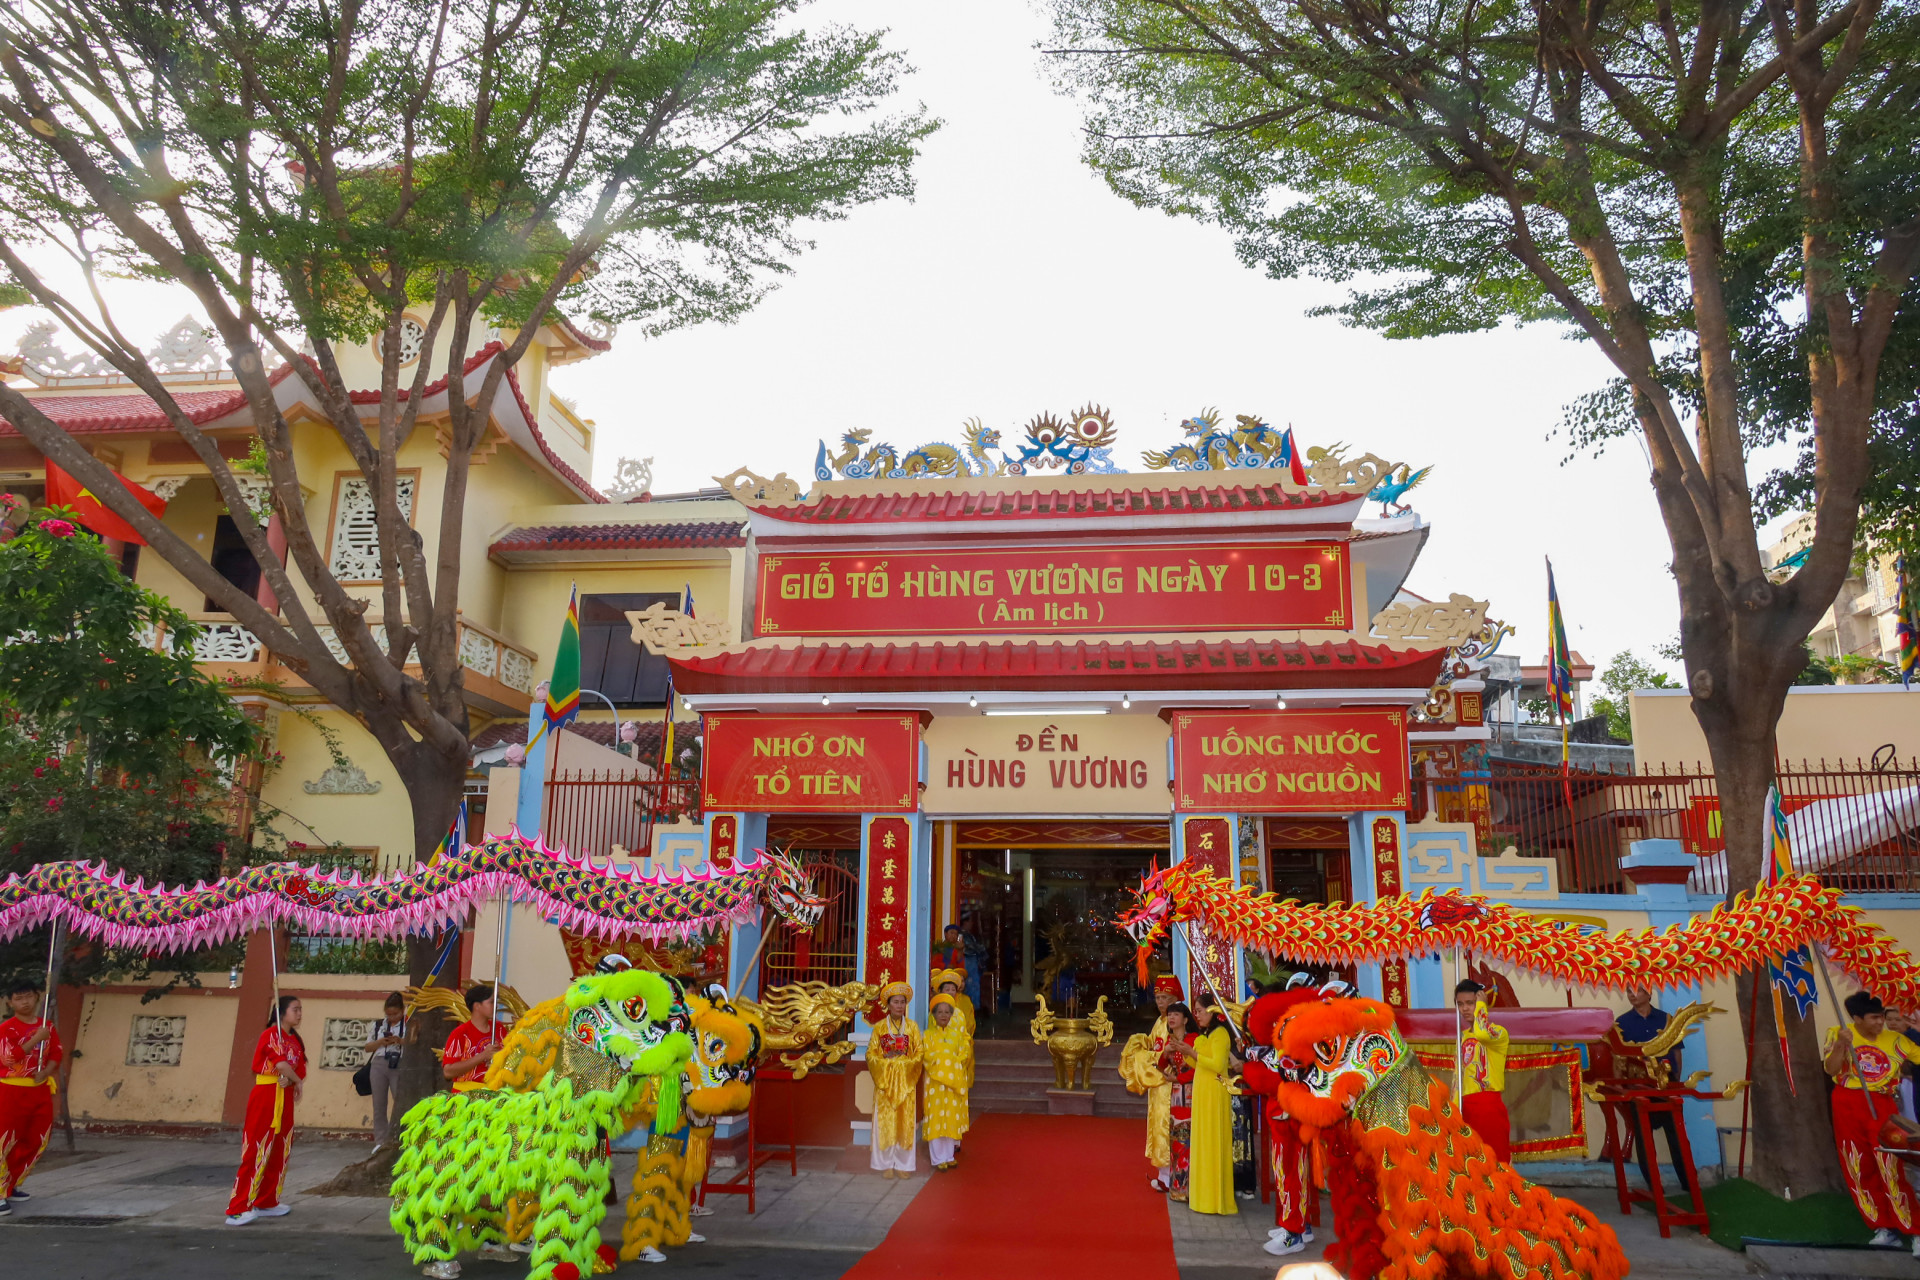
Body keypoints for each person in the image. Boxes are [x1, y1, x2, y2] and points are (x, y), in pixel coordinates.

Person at [1824, 990, 1920, 1249]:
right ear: (1856, 1018)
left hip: (1881, 1102)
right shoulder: (1838, 1033)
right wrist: (1841, 1046)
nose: (1881, 1022)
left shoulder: (1897, 1039)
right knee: (1858, 1166)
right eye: (1874, 1018)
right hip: (1846, 1102)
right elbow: (1831, 1069)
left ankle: (1915, 1230)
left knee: (1889, 1164)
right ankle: (1882, 1227)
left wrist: (1915, 1031)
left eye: (1881, 1017)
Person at [226, 996, 307, 1225]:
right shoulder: (270, 1035)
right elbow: (281, 1065)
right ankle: (237, 1207)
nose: (299, 1014)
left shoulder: (293, 1040)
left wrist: (291, 1080)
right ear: (282, 1012)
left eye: (301, 1010)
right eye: (295, 1009)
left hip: (285, 1098)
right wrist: (294, 1079)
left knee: (280, 1149)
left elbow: (296, 1067)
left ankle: (266, 1200)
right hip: (266, 1096)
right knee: (257, 1148)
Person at [1613, 987, 1698, 1202]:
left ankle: (1689, 1182)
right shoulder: (1621, 1023)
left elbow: (1676, 1051)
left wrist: (1675, 1082)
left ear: (1649, 994)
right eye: (1629, 992)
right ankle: (1654, 1185)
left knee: (1677, 1135)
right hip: (1638, 1088)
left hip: (1665, 1086)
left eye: (1636, 991)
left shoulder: (1666, 1019)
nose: (1632, 995)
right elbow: (1618, 1058)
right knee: (1644, 1137)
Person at [0, 979, 62, 1216]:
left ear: (37, 997)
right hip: (10, 1089)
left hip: (39, 1088)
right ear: (10, 1002)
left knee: (35, 1139)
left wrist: (45, 1072)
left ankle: (12, 1182)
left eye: (28, 996)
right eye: (18, 998)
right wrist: (36, 1038)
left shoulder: (47, 1025)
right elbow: (8, 1059)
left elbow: (56, 1052)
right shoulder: (7, 1029)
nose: (24, 1002)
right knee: (3, 1139)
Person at [1184, 996, 1240, 1216]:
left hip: (1215, 1092)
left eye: (1199, 1010)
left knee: (1213, 1143)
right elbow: (1196, 1063)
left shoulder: (1221, 1034)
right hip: (1203, 1092)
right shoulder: (1207, 1034)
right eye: (1195, 1011)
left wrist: (1193, 1053)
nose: (1196, 1015)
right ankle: (1203, 1198)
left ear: (1212, 1011)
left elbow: (1217, 1065)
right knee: (1202, 1142)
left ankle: (1216, 1200)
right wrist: (1185, 1051)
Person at [868, 981, 923, 1178]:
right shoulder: (880, 1028)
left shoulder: (913, 1027)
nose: (899, 1006)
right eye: (895, 1002)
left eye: (902, 1002)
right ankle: (885, 1164)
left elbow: (919, 1054)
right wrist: (887, 1063)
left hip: (905, 1084)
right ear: (888, 1005)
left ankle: (903, 1164)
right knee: (886, 1122)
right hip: (886, 1082)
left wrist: (904, 1064)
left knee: (904, 1123)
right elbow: (871, 1055)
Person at [1455, 979, 1511, 1162]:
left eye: (1470, 1003)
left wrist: (1481, 1005)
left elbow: (1482, 1033)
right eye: (1460, 1004)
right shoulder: (1462, 1037)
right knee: (1471, 1164)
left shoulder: (1498, 1033)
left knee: (1495, 1162)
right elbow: (1458, 1076)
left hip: (1488, 1107)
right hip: (1466, 1108)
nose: (1465, 1009)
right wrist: (1454, 1109)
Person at [923, 994, 973, 1170]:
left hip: (954, 1083)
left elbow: (964, 1055)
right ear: (934, 1015)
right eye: (940, 1012)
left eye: (947, 1012)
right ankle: (938, 1159)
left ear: (951, 1015)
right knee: (937, 1118)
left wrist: (949, 1062)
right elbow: (927, 1057)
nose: (943, 1015)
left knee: (951, 1117)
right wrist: (946, 1062)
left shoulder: (957, 1035)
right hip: (936, 1083)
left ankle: (949, 1155)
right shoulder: (928, 1035)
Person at [1158, 1002, 1196, 1202]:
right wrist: (1166, 1052)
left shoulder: (1194, 1040)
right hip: (1175, 1095)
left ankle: (1190, 1188)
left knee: (1189, 1140)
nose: (1171, 1018)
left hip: (1191, 1094)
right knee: (1177, 1140)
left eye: (1176, 1015)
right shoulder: (1170, 1040)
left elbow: (1200, 1066)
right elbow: (1160, 1066)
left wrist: (1179, 1079)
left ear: (1186, 1019)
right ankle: (1177, 1187)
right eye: (1169, 1015)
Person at [441, 984, 507, 1092]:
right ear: (477, 1006)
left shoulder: (499, 1030)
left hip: (494, 1094)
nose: (496, 1006)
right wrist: (483, 1056)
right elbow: (448, 1072)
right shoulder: (460, 1034)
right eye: (491, 1002)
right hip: (466, 1097)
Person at [364, 992, 408, 1153]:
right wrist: (381, 1042)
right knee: (379, 1104)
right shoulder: (378, 1025)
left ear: (403, 1010)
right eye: (388, 1014)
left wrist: (400, 1041)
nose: (392, 1017)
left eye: (395, 1014)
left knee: (400, 1102)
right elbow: (367, 1047)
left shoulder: (409, 1025)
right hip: (379, 1064)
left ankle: (401, 1138)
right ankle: (380, 1141)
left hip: (399, 1063)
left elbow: (415, 1045)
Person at [931, 967, 976, 1035]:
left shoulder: (959, 1013)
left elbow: (969, 1027)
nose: (951, 992)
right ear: (940, 991)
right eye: (947, 989)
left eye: (953, 989)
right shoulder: (934, 1009)